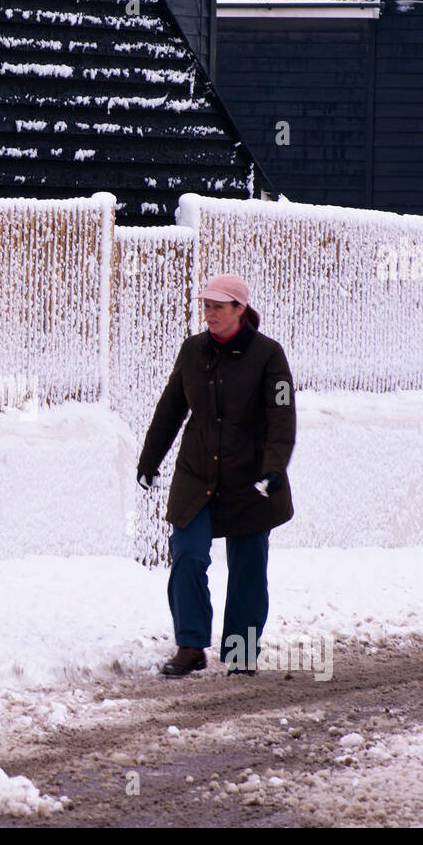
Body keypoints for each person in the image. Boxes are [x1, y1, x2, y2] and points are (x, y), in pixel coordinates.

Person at [136, 273, 295, 676]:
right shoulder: (192, 352)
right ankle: (190, 646)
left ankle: (241, 651)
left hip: (250, 479)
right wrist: (149, 459)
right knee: (187, 556)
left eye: (218, 307)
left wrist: (274, 468)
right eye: (206, 306)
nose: (209, 314)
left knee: (247, 569)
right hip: (197, 475)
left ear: (240, 310)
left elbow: (282, 416)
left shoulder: (269, 356)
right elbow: (171, 407)